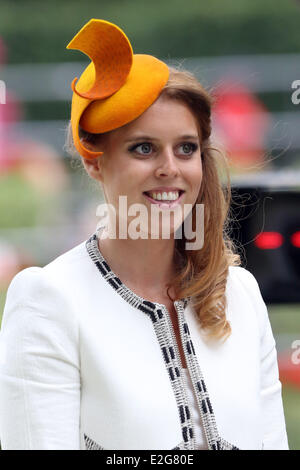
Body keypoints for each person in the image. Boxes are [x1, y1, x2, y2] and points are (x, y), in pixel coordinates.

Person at [0, 19, 289, 450]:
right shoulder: (49, 299)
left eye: (186, 148)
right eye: (143, 148)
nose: (170, 168)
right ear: (95, 161)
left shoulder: (242, 293)